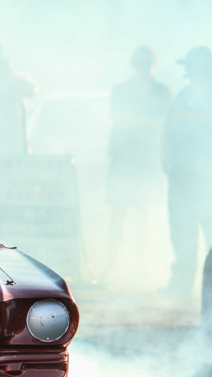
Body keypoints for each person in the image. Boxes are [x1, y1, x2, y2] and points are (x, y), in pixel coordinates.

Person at [103, 46, 172, 281]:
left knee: (144, 215)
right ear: (133, 65)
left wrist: (138, 121)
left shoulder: (163, 91)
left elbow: (164, 123)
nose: (143, 68)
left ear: (154, 64)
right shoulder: (120, 90)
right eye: (139, 63)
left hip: (148, 160)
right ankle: (111, 264)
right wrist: (146, 122)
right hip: (122, 158)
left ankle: (140, 266)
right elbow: (119, 118)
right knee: (117, 213)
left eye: (147, 63)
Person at [161, 46, 212, 298]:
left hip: (205, 179)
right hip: (180, 176)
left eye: (191, 65)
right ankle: (180, 287)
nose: (188, 70)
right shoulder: (182, 95)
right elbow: (167, 129)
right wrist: (165, 156)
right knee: (181, 231)